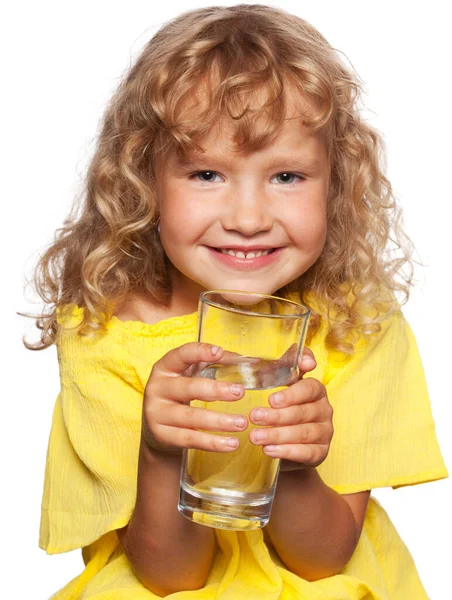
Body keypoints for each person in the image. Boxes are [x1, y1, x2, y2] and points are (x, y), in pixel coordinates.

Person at [28, 4, 447, 599]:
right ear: (145, 181)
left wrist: (296, 464)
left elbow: (323, 560)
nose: (248, 219)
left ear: (336, 181)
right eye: (205, 175)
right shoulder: (106, 333)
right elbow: (167, 576)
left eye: (286, 177)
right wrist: (162, 452)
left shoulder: (355, 323)